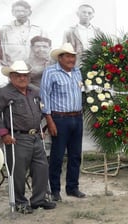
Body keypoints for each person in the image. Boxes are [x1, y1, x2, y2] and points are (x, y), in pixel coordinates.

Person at [0, 60, 56, 213]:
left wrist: (41, 128)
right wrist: (3, 134)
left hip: (35, 135)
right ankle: (20, 202)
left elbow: (41, 111)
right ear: (11, 77)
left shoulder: (35, 91)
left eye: (25, 75)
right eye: (18, 76)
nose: (22, 78)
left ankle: (38, 199)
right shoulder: (4, 93)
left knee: (41, 167)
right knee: (18, 171)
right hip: (17, 137)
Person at [40, 43, 85, 201]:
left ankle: (72, 187)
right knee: (57, 156)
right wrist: (49, 120)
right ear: (60, 57)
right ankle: (55, 190)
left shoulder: (78, 72)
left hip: (77, 117)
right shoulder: (50, 72)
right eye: (68, 56)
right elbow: (44, 97)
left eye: (73, 56)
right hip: (60, 118)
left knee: (75, 155)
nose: (71, 59)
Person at [0, 0, 46, 65]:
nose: (21, 13)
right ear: (12, 12)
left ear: (30, 12)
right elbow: (2, 50)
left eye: (24, 11)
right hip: (13, 67)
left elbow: (45, 50)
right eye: (17, 11)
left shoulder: (39, 30)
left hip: (35, 67)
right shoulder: (5, 30)